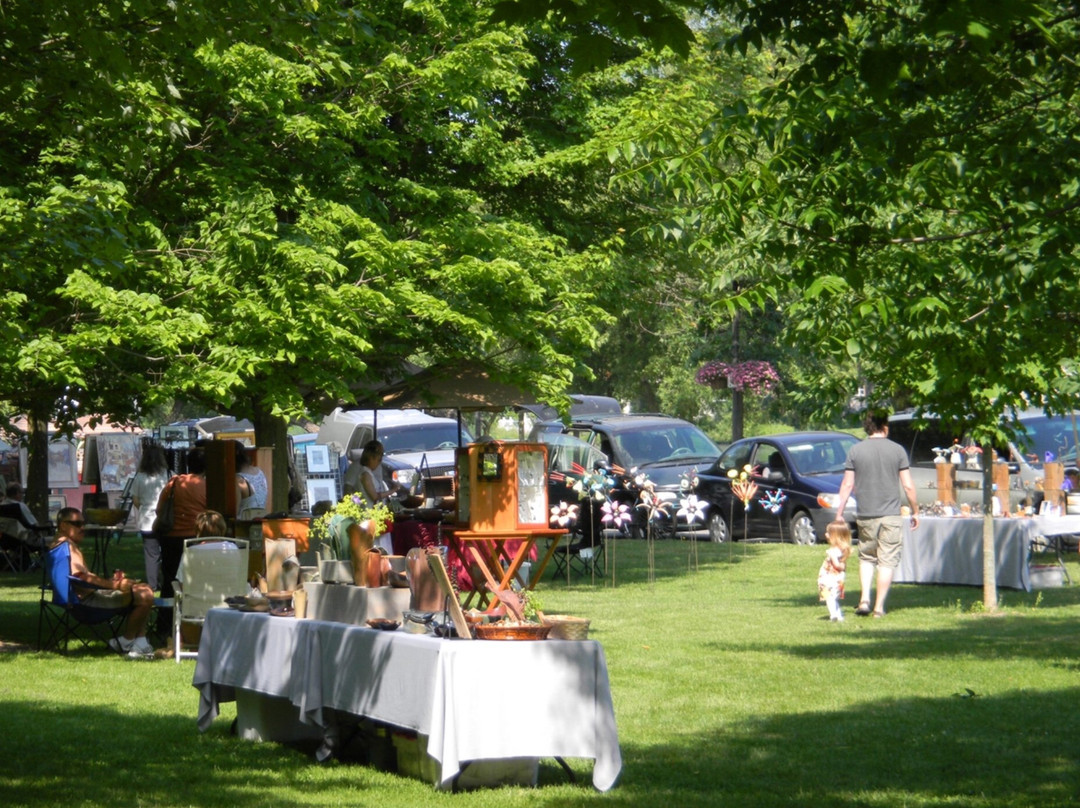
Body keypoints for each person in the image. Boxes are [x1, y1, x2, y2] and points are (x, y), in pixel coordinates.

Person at [835, 409, 920, 618]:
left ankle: (864, 600)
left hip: (865, 514)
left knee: (866, 557)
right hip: (891, 514)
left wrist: (839, 513)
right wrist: (915, 511)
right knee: (887, 560)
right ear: (885, 426)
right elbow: (908, 486)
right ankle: (879, 607)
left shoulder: (855, 451)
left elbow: (847, 484)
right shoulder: (898, 450)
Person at [53, 507, 156, 658]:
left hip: (78, 598)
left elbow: (80, 577)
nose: (82, 528)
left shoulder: (58, 545)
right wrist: (115, 585)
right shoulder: (67, 547)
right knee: (145, 594)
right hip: (86, 604)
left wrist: (109, 582)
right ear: (63, 525)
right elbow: (81, 577)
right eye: (77, 524)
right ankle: (128, 641)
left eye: (83, 523)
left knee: (143, 588)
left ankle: (138, 641)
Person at [155, 445, 208, 628]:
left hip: (170, 538)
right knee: (193, 582)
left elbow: (159, 509)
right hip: (196, 539)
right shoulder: (207, 487)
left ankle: (164, 624)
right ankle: (191, 623)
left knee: (170, 583)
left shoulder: (174, 483)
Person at [130, 440, 171, 592]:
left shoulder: (140, 477)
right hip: (165, 520)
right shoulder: (169, 475)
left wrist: (144, 507)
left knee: (151, 555)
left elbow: (136, 500)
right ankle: (168, 582)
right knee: (167, 553)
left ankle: (152, 585)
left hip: (147, 520)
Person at [353, 439, 401, 554]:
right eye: (377, 459)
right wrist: (392, 490)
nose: (378, 462)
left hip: (376, 515)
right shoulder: (365, 474)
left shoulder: (369, 473)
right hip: (371, 517)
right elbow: (374, 496)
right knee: (377, 549)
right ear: (371, 458)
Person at [818, 521, 851, 622]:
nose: (826, 534)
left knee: (829, 597)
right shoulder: (843, 549)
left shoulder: (834, 551)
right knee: (833, 597)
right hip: (837, 577)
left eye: (828, 533)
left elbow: (837, 565)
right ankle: (838, 615)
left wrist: (838, 563)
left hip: (829, 578)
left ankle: (834, 615)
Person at [234, 442, 267, 520]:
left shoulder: (238, 480)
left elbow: (234, 511)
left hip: (243, 525)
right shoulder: (259, 471)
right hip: (261, 520)